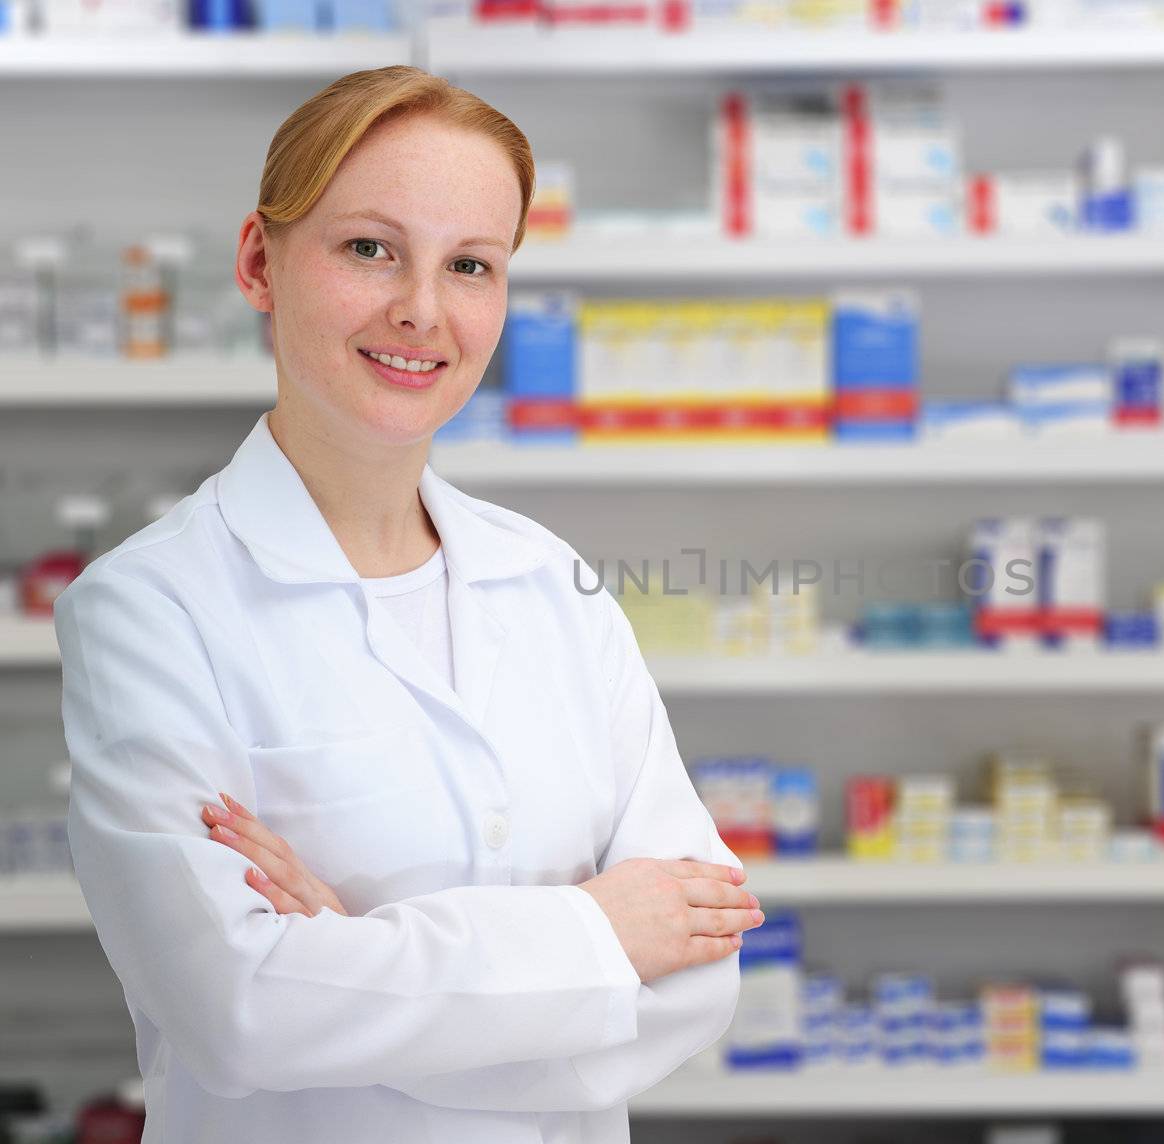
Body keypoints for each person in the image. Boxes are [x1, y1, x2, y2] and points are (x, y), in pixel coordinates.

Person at [55, 65, 760, 1144]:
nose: (422, 310)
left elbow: (700, 976)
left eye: (470, 264)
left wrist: (357, 953)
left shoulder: (552, 586)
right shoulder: (152, 608)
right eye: (369, 248)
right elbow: (240, 1011)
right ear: (260, 261)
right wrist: (593, 936)